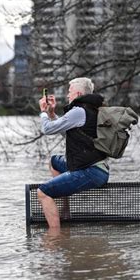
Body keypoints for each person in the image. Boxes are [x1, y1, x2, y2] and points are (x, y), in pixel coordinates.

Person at [38, 77, 109, 228]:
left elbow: (47, 129)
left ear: (77, 94)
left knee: (43, 192)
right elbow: (69, 133)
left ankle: (55, 238)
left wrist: (43, 112)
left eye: (69, 92)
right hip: (98, 169)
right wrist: (51, 114)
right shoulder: (91, 109)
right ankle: (65, 211)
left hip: (90, 171)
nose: (67, 96)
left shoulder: (79, 111)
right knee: (54, 162)